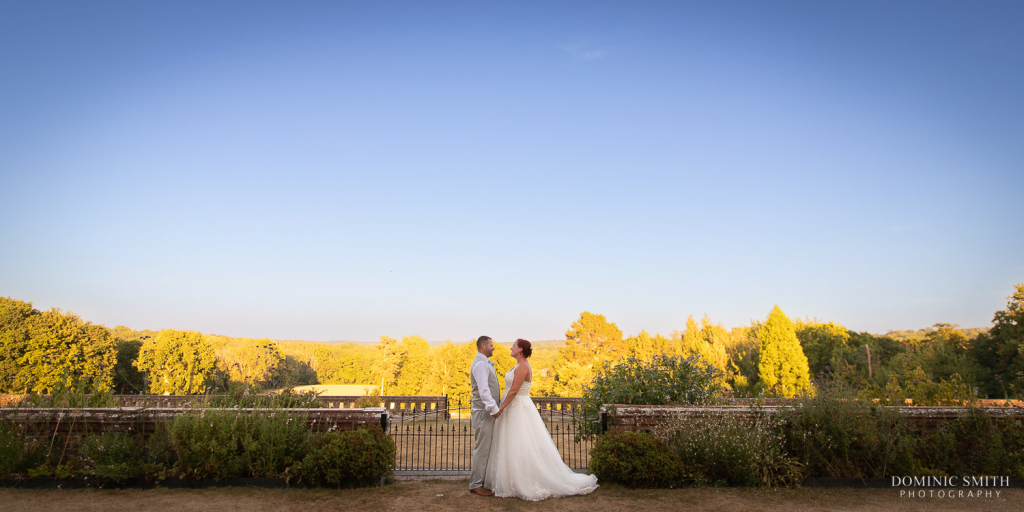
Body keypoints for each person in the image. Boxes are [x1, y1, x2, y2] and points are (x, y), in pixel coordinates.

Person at [485, 338, 599, 501]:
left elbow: (513, 391)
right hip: (512, 407)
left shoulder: (523, 367)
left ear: (521, 350)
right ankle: (510, 478)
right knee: (510, 443)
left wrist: (501, 408)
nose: (511, 348)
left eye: (514, 346)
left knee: (521, 443)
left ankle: (525, 480)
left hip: (518, 408)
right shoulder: (517, 365)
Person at [468, 335, 501, 496]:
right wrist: (494, 409)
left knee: (486, 447)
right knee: (482, 448)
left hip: (484, 412)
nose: (493, 347)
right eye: (491, 345)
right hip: (483, 413)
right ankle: (475, 484)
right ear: (483, 346)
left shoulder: (483, 363)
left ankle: (482, 480)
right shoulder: (481, 364)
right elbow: (483, 391)